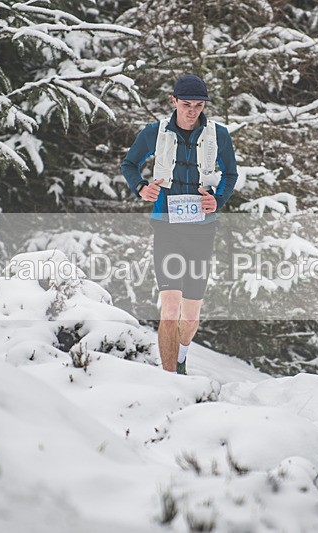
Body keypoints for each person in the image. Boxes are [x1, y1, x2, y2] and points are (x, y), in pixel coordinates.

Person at [121, 74, 238, 374]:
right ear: (173, 101)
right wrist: (141, 188)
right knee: (170, 309)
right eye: (186, 104)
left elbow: (231, 174)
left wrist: (218, 200)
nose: (192, 111)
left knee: (190, 315)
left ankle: (182, 354)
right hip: (167, 228)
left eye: (199, 105)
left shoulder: (218, 135)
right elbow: (129, 164)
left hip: (201, 231)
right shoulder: (155, 133)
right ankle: (169, 378)